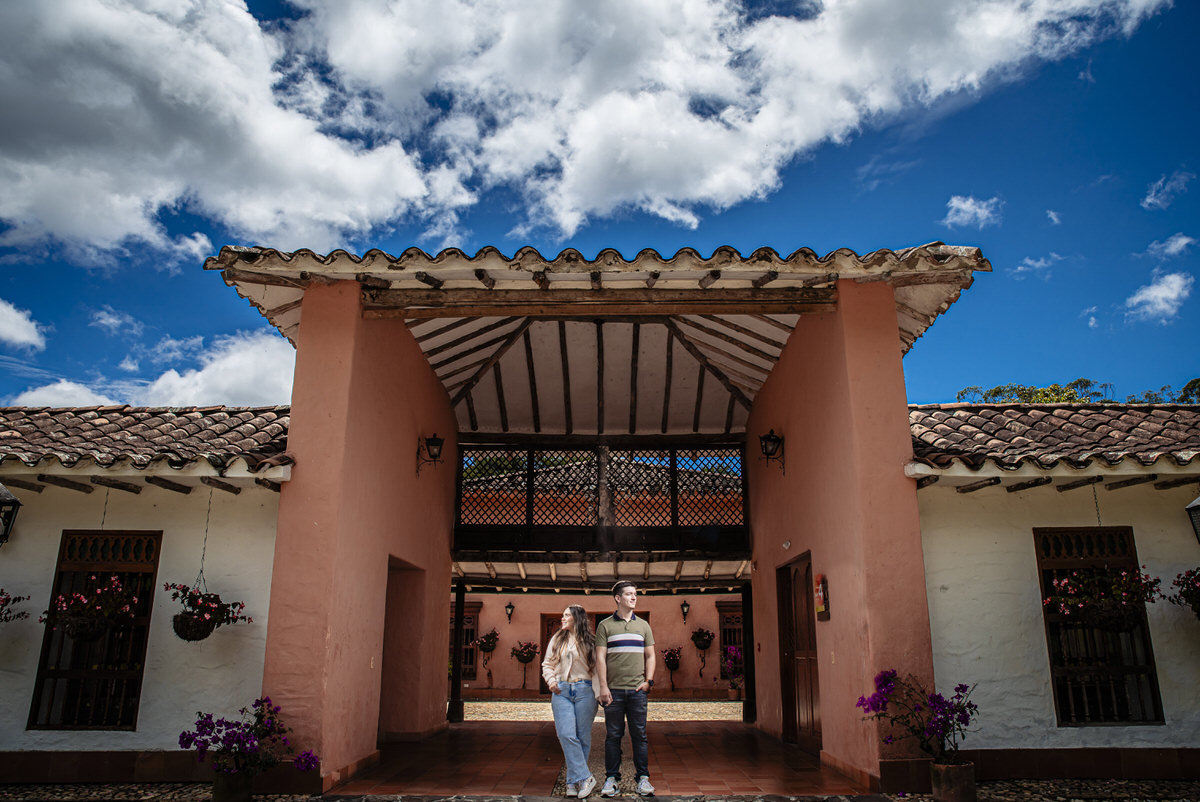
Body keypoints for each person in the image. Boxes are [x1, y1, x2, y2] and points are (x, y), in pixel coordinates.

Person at [595, 581, 656, 797]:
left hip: (638, 691)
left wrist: (648, 681)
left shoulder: (644, 626)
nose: (634, 597)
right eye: (629, 594)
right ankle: (611, 779)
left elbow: (650, 655)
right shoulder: (605, 626)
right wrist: (603, 686)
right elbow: (600, 657)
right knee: (613, 735)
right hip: (614, 691)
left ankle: (643, 779)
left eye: (635, 594)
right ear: (617, 598)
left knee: (639, 735)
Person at [542, 604, 599, 799]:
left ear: (577, 618)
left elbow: (599, 669)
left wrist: (601, 692)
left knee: (582, 737)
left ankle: (573, 782)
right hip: (561, 690)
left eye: (567, 615)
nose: (563, 618)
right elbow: (547, 664)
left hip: (585, 690)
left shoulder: (591, 641)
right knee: (566, 734)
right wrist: (551, 681)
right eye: (563, 615)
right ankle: (586, 778)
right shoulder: (557, 638)